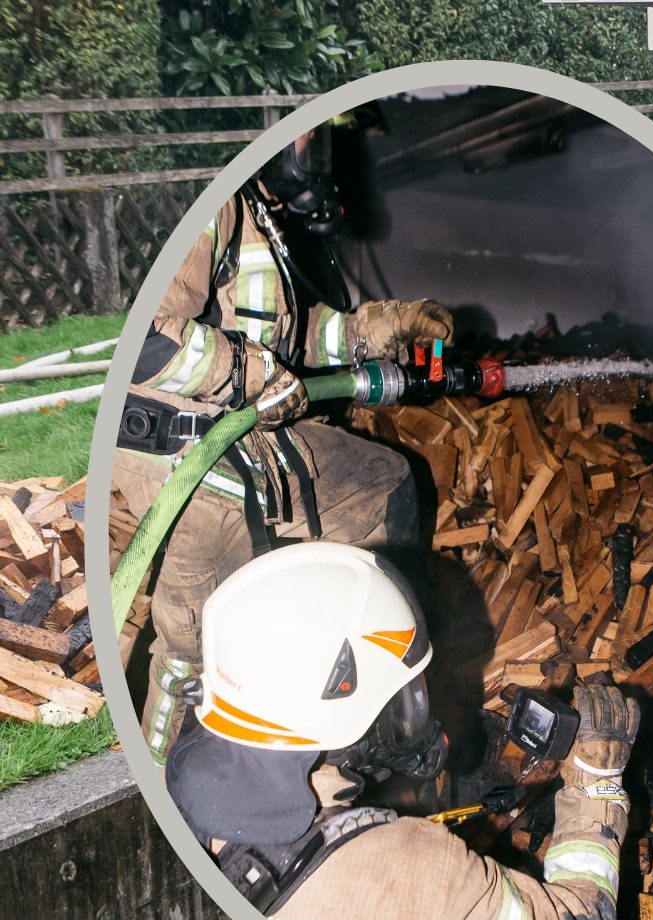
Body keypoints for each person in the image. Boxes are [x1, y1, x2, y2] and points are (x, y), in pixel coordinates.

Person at [112, 124, 454, 764]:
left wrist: (383, 327)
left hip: (248, 444)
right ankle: (158, 782)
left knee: (384, 482)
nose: (318, 164)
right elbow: (148, 342)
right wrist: (249, 375)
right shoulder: (212, 206)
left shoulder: (257, 218)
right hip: (187, 461)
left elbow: (291, 341)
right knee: (198, 652)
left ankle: (373, 684)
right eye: (308, 145)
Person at [165, 541, 636, 920]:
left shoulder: (183, 794)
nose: (417, 714)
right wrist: (598, 787)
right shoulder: (423, 874)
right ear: (337, 707)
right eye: (404, 698)